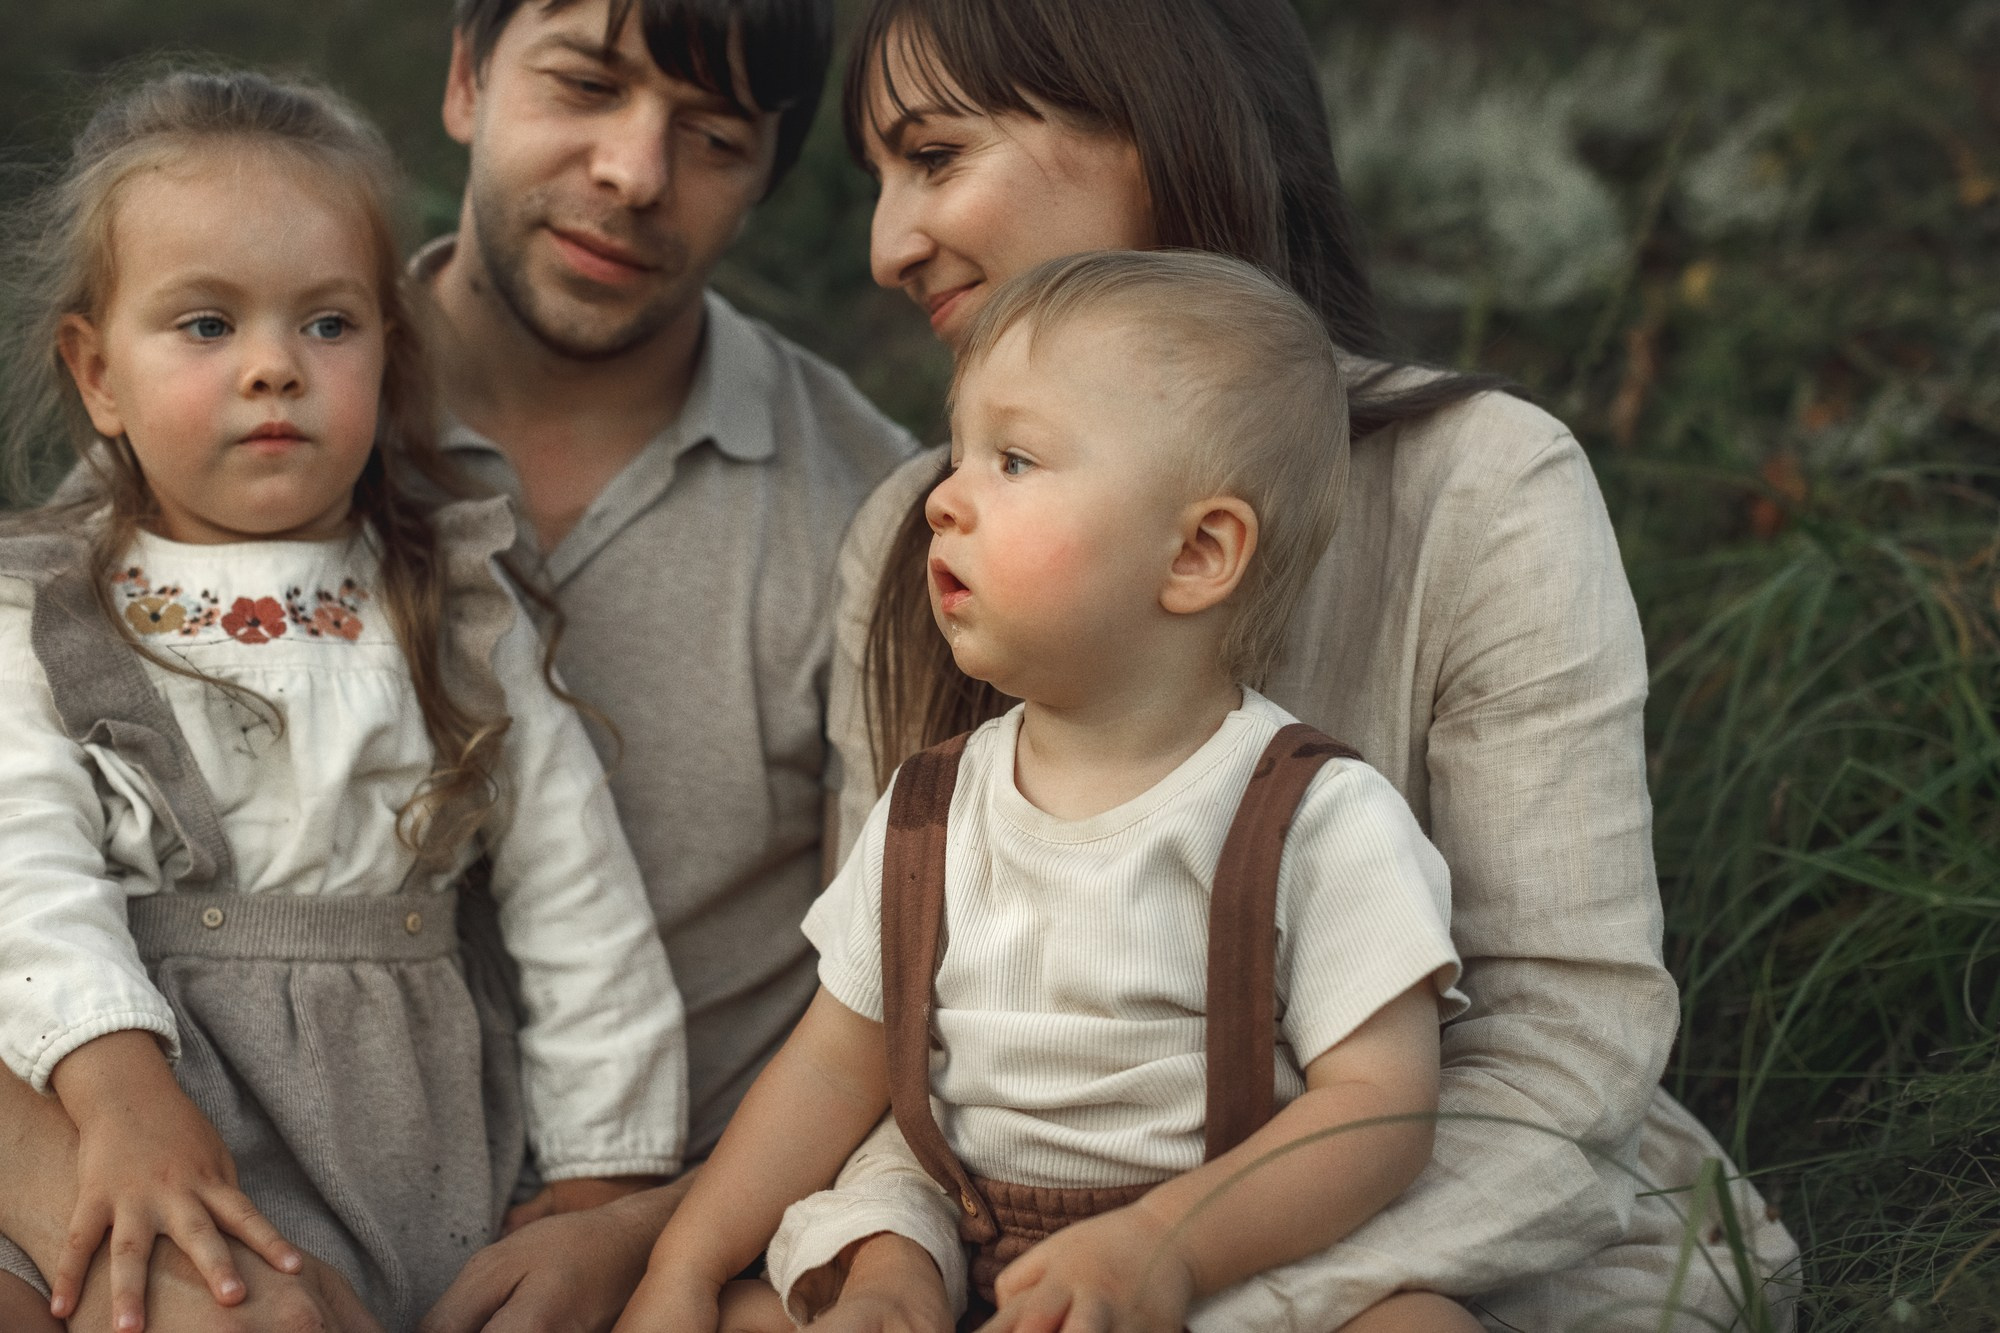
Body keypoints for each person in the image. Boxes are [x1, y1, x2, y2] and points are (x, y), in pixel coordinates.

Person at [761, 0, 1803, 1329]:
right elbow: (891, 1054)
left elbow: (1562, 1049)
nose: (887, 244)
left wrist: (1188, 1282)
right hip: (1024, 1269)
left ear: (1159, 129)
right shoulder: (919, 545)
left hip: (1432, 1244)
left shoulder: (1479, 487)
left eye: (936, 156)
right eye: (880, 180)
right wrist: (895, 1262)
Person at [0, 1, 927, 1330]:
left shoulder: (875, 511)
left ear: (771, 174)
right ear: (466, 75)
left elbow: (873, 993)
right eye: (586, 83)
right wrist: (98, 1121)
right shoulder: (170, 475)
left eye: (714, 135)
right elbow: (27, 852)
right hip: (148, 1145)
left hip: (554, 1213)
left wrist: (628, 1211)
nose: (632, 172)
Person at [617, 249, 1485, 1333]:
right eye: (960, 455)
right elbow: (831, 1070)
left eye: (1014, 461)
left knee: (1421, 1329)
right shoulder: (933, 808)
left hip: (1198, 1254)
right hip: (950, 1229)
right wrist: (683, 1265)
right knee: (763, 1304)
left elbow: (1379, 1111)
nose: (944, 499)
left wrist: (1161, 1243)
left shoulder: (1310, 816)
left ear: (1198, 551)